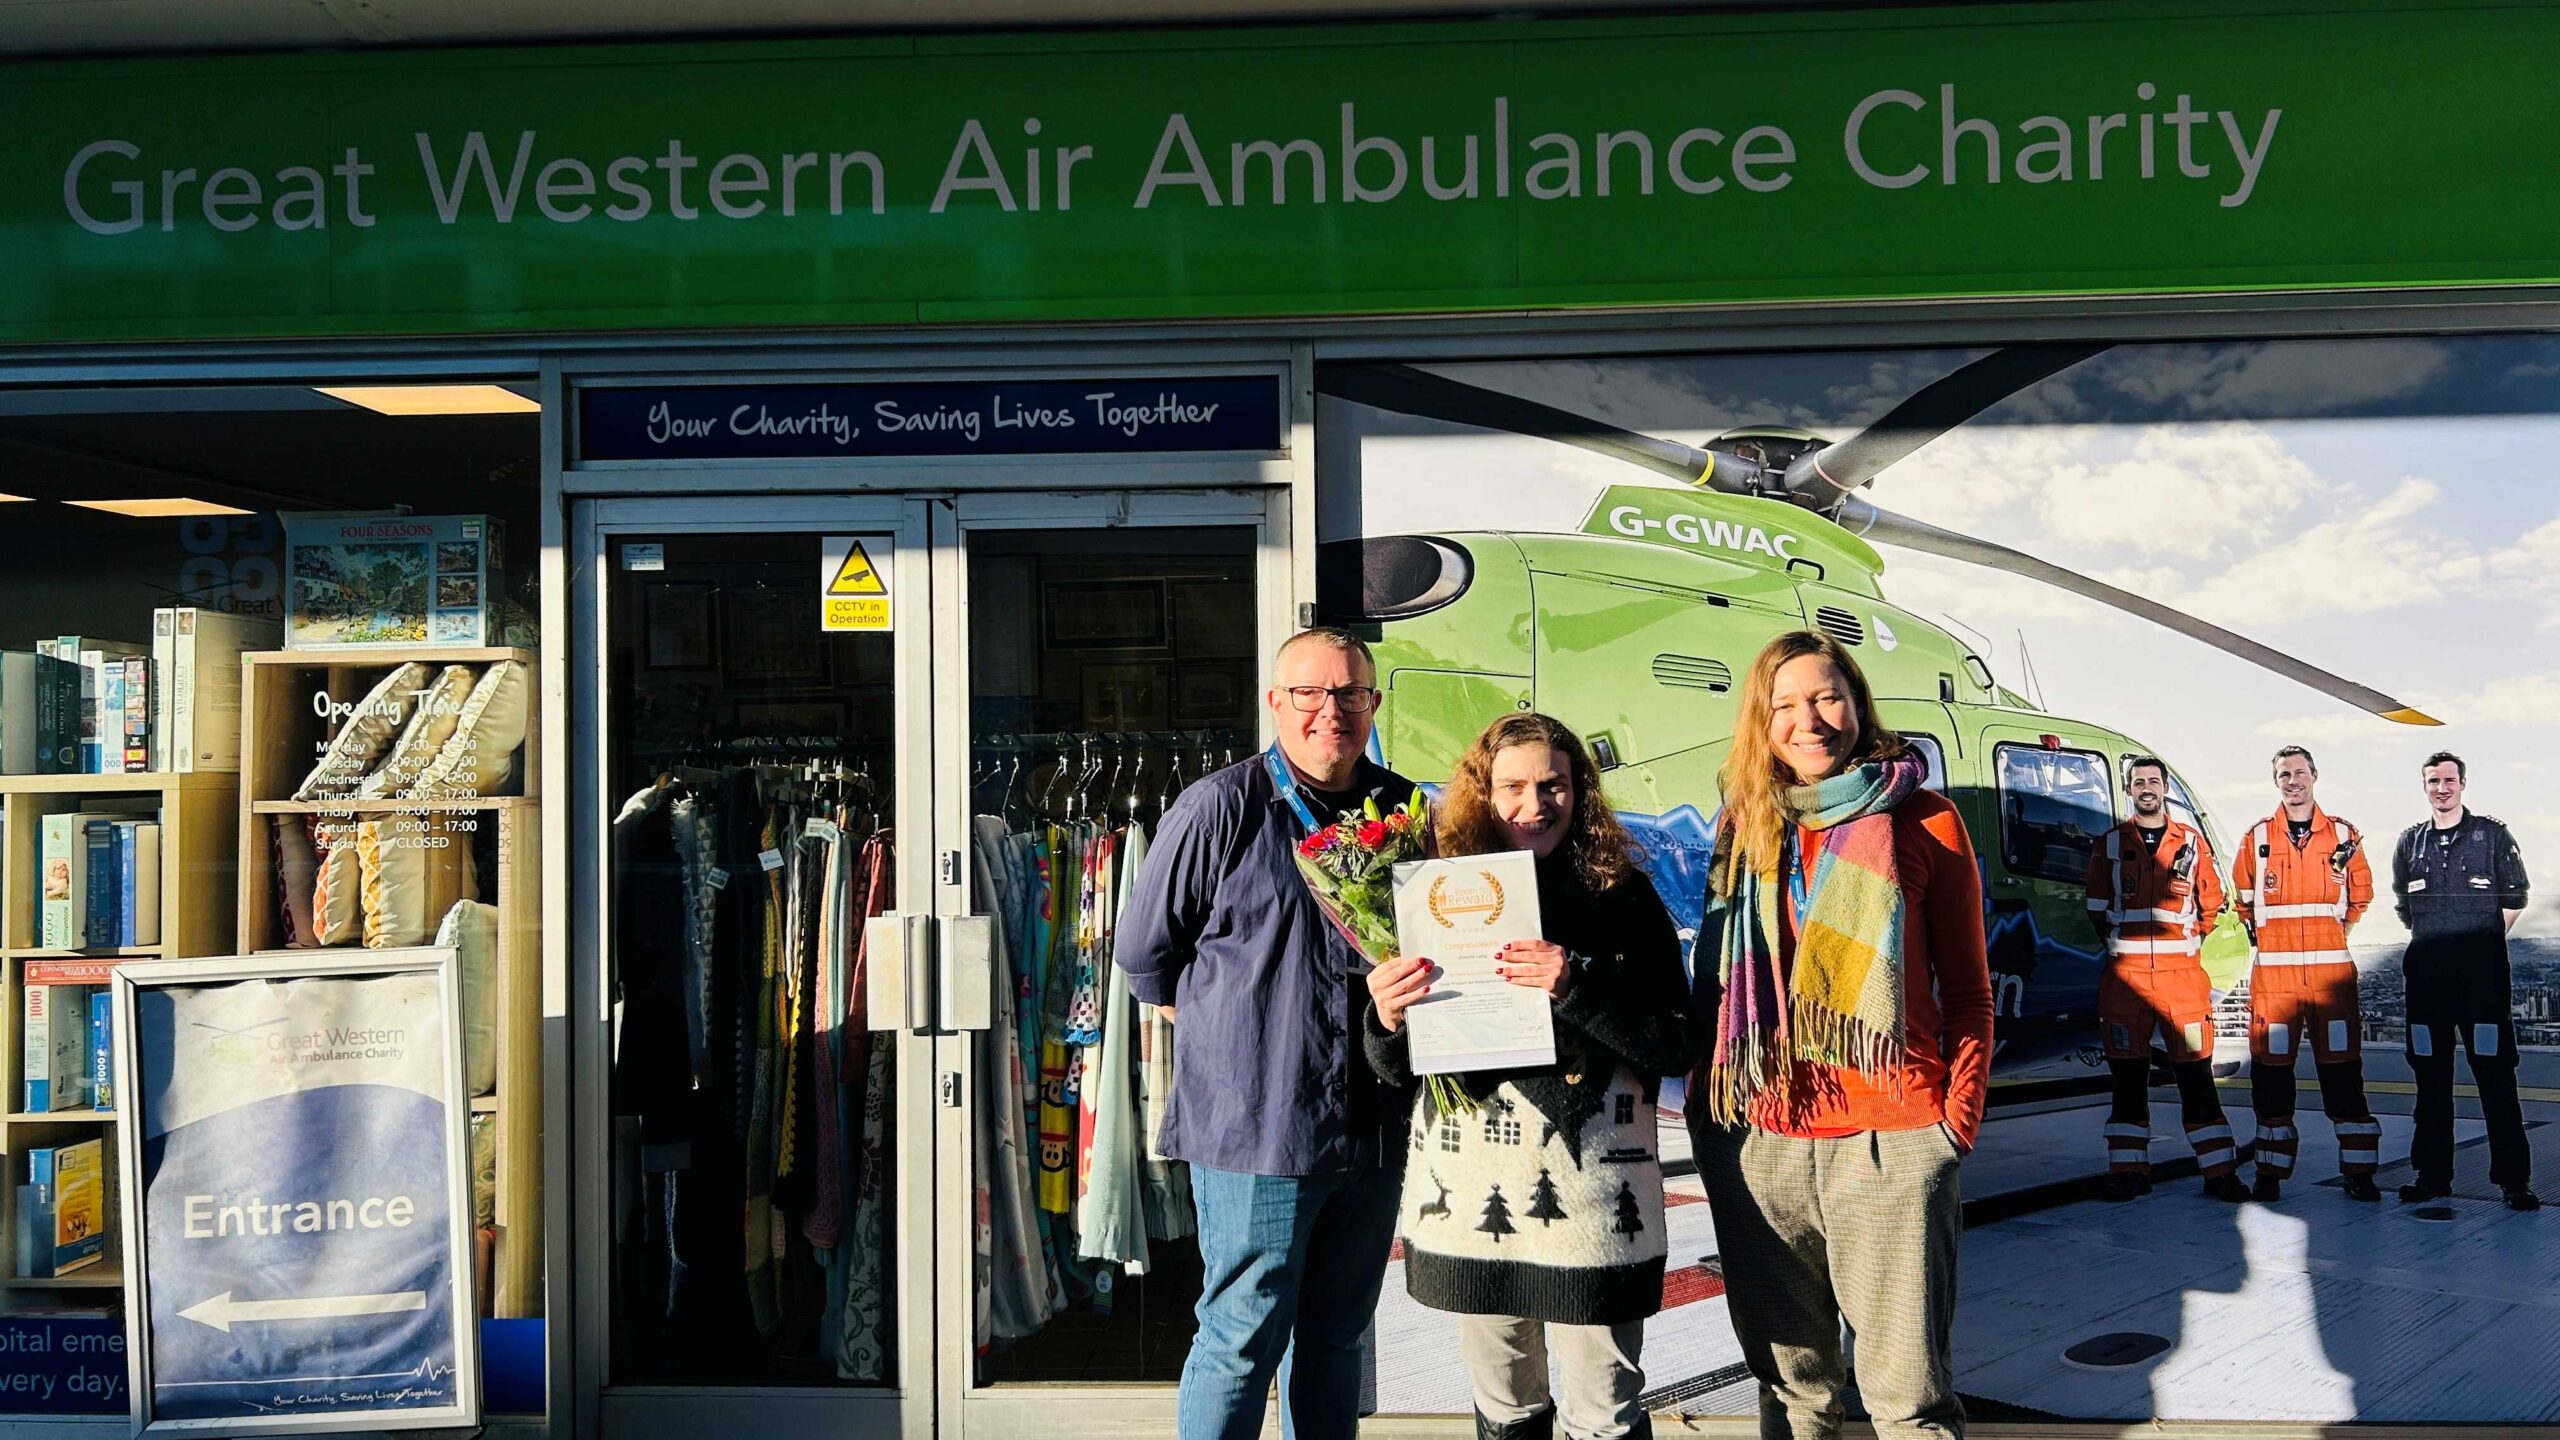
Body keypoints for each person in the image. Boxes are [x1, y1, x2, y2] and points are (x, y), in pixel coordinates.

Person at [1119, 627, 1423, 1440]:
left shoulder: (1404, 811)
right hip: (1258, 1129)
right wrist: (1241, 1031)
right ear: (1276, 704)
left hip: (1371, 1122)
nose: (1332, 712)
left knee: (1335, 1337)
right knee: (1242, 1336)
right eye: (1311, 694)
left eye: (1350, 695)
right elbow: (1147, 957)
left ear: (1373, 704)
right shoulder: (1221, 806)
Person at [1687, 630, 1991, 1440]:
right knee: (1792, 1395)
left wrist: (1948, 1126)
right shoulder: (1745, 824)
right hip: (1760, 1140)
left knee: (1909, 1403)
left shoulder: (1925, 818)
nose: (1809, 720)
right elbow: (1717, 989)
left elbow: (1968, 991)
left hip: (1888, 1139)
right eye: (1784, 704)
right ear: (1762, 720)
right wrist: (1711, 1122)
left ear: (1857, 703)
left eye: (1826, 696)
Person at [1361, 714, 1693, 1440]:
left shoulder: (1623, 896)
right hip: (1473, 1194)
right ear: (1482, 792)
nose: (1535, 804)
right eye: (1513, 786)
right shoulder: (1436, 893)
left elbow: (1674, 1042)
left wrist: (1575, 985)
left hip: (1595, 1204)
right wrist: (1385, 1017)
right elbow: (1395, 1069)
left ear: (1581, 792)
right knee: (1506, 1407)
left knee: (1603, 1412)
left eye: (1554, 785)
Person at [2082, 755, 2246, 1203]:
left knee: (2197, 1082)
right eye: (2138, 782)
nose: (2146, 788)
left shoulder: (2191, 844)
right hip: (2125, 984)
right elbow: (2096, 907)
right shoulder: (2109, 844)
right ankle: (2128, 1173)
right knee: (2127, 1083)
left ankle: (2219, 1174)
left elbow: (2212, 908)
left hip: (2182, 984)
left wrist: (2180, 946)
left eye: (2153, 781)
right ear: (2129, 791)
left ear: (2164, 787)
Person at [2229, 745, 2382, 1202]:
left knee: (2344, 1077)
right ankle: (2270, 1176)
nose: (2292, 781)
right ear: (2275, 781)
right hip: (2274, 985)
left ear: (2314, 776)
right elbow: (2241, 903)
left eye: (2299, 773)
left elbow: (2361, 896)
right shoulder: (2256, 839)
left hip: (2331, 982)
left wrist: (2336, 936)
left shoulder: (2342, 835)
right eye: (2283, 774)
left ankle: (2359, 1173)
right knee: (2271, 1080)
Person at [2390, 751, 2538, 1210]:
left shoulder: (2491, 836)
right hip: (2427, 987)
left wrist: (2478, 942)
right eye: (2433, 780)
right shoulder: (2409, 843)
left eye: (2449, 780)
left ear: (2463, 783)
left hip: (2482, 988)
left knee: (2496, 1081)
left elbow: (2515, 897)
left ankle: (2513, 1182)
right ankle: (2432, 1176)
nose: (2442, 788)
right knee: (2430, 1083)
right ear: (2425, 786)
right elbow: (2403, 908)